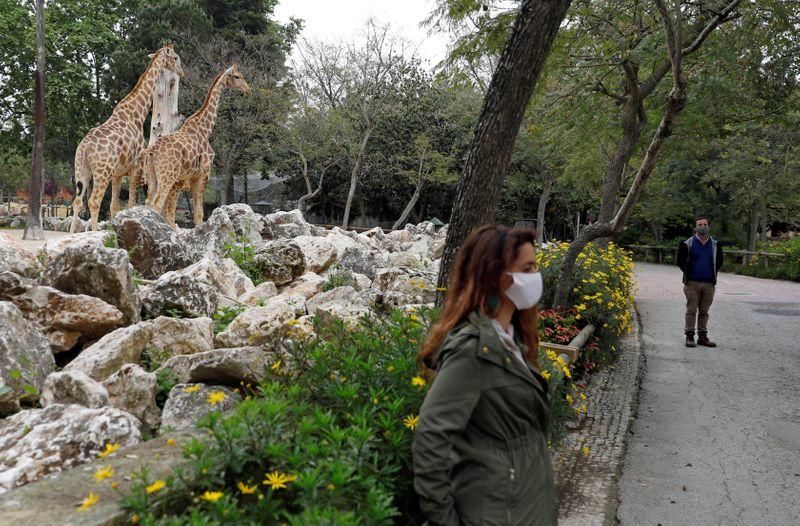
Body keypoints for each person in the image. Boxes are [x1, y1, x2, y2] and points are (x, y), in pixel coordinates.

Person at [412, 225, 555, 526]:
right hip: (495, 512)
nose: (535, 277)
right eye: (527, 269)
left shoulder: (512, 336)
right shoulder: (472, 350)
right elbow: (430, 437)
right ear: (496, 275)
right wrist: (445, 520)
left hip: (526, 506)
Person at [676, 216, 723, 348]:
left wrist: (709, 273)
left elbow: (719, 262)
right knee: (691, 310)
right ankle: (689, 336)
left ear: (708, 226)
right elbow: (680, 261)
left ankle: (702, 337)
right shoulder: (687, 244)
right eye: (700, 224)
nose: (703, 226)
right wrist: (689, 272)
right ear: (695, 227)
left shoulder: (715, 245)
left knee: (704, 311)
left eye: (705, 224)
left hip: (709, 283)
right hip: (692, 283)